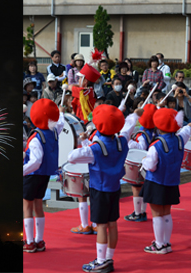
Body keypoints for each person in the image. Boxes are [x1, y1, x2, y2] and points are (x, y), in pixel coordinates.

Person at [67, 104, 128, 273]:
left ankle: (101, 261)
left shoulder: (95, 148)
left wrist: (83, 141)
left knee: (101, 226)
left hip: (99, 190)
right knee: (112, 224)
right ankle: (109, 258)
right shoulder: (122, 141)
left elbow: (72, 157)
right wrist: (89, 141)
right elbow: (126, 129)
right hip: (115, 188)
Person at [141, 108, 191, 254]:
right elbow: (186, 131)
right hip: (172, 181)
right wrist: (189, 126)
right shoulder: (180, 139)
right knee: (167, 213)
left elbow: (150, 166)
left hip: (156, 182)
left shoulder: (156, 144)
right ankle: (166, 243)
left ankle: (159, 245)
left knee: (157, 214)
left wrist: (143, 160)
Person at [23, 99, 65, 253]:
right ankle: (39, 240)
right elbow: (60, 123)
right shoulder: (53, 132)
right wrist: (61, 113)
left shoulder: (35, 138)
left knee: (27, 207)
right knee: (38, 206)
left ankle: (29, 242)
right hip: (46, 175)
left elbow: (36, 161)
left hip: (32, 175)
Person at [120, 104, 158, 223]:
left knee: (136, 188)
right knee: (142, 188)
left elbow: (141, 147)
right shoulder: (155, 131)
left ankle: (138, 213)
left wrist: (130, 142)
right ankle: (142, 211)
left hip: (140, 162)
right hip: (150, 161)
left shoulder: (142, 134)